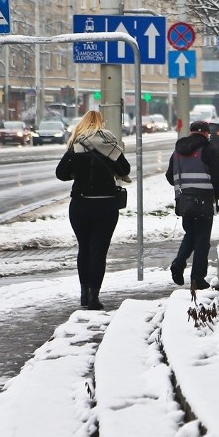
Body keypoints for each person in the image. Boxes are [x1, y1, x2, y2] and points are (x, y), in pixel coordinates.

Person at [55, 111, 130, 310]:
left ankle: (84, 293)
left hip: (80, 204)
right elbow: (125, 170)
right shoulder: (110, 143)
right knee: (99, 251)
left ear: (83, 124)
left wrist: (78, 172)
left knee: (84, 248)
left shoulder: (76, 145)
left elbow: (61, 174)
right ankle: (94, 297)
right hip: (106, 205)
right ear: (101, 124)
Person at [166, 120, 219, 289]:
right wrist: (215, 196)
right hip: (204, 201)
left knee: (191, 235)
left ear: (191, 132)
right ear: (207, 133)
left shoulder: (178, 151)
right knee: (202, 241)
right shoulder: (209, 149)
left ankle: (178, 263)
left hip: (184, 202)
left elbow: (170, 176)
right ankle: (198, 278)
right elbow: (218, 177)